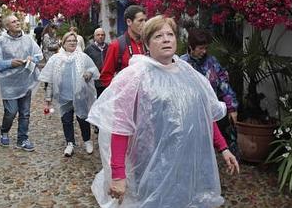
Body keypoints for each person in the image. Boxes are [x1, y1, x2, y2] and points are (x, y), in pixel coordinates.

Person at [87, 15, 239, 207]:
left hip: (187, 163)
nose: (166, 39)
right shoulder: (134, 77)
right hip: (149, 164)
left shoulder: (190, 74)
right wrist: (118, 174)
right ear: (147, 44)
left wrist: (223, 148)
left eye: (170, 34)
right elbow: (120, 126)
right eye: (158, 36)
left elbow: (203, 115)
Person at [0, 14, 43, 151]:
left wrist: (32, 59)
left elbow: (38, 54)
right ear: (7, 26)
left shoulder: (28, 40)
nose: (17, 23)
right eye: (13, 22)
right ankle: (4, 131)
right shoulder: (0, 41)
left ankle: (22, 139)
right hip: (8, 83)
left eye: (18, 20)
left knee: (25, 113)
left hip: (25, 81)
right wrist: (9, 63)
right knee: (11, 111)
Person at [180, 28, 240, 157]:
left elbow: (224, 84)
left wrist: (231, 108)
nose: (204, 51)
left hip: (210, 114)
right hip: (188, 117)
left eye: (206, 48)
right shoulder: (181, 64)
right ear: (191, 46)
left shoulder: (211, 62)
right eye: (200, 48)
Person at [39, 32, 100, 157]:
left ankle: (87, 141)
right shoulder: (55, 59)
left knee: (82, 119)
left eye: (74, 41)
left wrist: (89, 74)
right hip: (63, 96)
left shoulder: (83, 57)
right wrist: (48, 98)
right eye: (69, 41)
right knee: (66, 120)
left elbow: (93, 70)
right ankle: (70, 143)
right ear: (63, 43)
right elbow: (50, 79)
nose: (72, 43)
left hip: (80, 95)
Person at [99, 5, 147, 88]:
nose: (144, 24)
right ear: (129, 22)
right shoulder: (116, 45)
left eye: (145, 20)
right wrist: (120, 93)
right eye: (140, 21)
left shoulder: (148, 43)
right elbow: (105, 77)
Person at [84, 28, 108, 98]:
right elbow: (85, 65)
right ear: (94, 37)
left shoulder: (109, 47)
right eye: (98, 35)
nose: (100, 36)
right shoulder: (88, 49)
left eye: (102, 35)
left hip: (107, 81)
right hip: (95, 82)